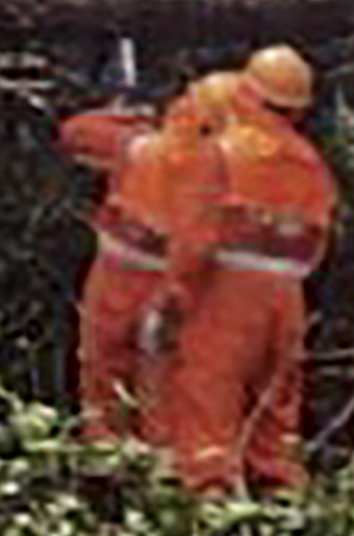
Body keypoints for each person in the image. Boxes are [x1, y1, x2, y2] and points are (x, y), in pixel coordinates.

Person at [156, 42, 338, 493]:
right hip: (286, 299)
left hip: (225, 295)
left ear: (249, 95)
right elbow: (315, 244)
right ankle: (281, 509)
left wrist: (174, 295)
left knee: (207, 401)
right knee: (274, 415)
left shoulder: (221, 153)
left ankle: (209, 513)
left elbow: (197, 238)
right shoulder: (312, 164)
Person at [57, 55, 255, 447]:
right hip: (164, 289)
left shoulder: (144, 148)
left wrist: (127, 116)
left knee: (116, 383)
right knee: (150, 388)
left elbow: (76, 133)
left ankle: (124, 474)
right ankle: (152, 480)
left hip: (137, 287)